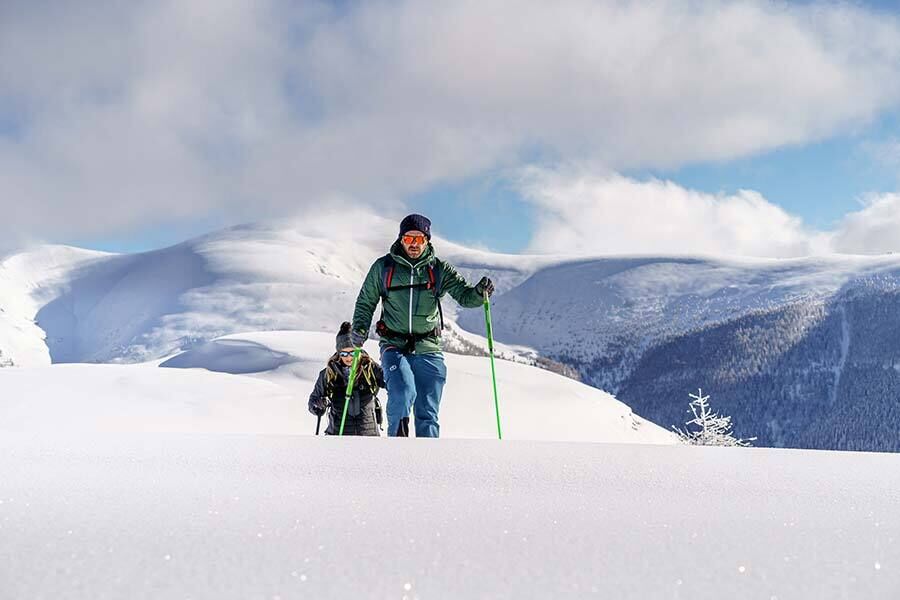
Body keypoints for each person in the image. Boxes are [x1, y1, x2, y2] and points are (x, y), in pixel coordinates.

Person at [350, 214, 494, 437]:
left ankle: (428, 463)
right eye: (409, 239)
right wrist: (360, 327)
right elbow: (366, 300)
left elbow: (465, 296)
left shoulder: (438, 269)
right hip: (394, 344)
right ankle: (399, 451)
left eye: (419, 239)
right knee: (401, 393)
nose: (414, 245)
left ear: (427, 240)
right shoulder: (384, 268)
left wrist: (478, 293)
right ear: (400, 240)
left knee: (427, 410)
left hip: (428, 346)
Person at [308, 322, 385, 436]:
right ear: (339, 353)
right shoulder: (329, 373)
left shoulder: (370, 368)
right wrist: (317, 405)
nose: (348, 357)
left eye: (352, 353)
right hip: (338, 436)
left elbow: (391, 383)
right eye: (344, 353)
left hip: (368, 437)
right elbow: (313, 400)